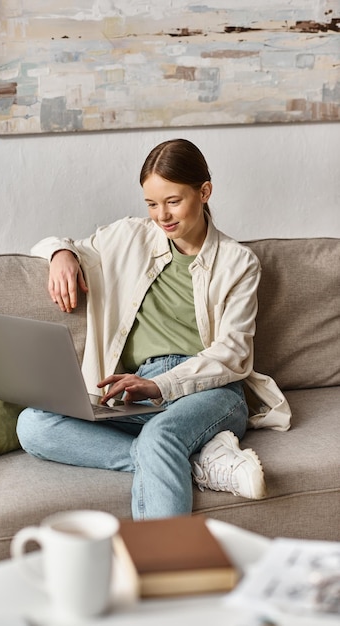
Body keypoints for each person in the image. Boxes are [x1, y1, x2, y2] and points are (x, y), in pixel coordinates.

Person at [17, 138, 291, 520]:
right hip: (138, 390)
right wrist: (60, 255)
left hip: (212, 390)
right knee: (34, 423)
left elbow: (233, 354)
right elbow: (65, 244)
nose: (162, 215)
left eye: (173, 201)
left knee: (160, 437)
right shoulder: (131, 237)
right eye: (151, 203)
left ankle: (164, 569)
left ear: (204, 191)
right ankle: (198, 463)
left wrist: (162, 385)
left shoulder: (238, 263)